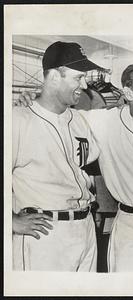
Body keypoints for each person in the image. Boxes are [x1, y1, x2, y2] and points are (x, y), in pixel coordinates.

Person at [18, 62, 133, 272]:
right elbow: (57, 115)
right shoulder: (102, 121)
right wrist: (32, 101)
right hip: (129, 222)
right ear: (129, 93)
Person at [12, 41, 101, 271]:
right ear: (53, 77)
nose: (85, 84)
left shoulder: (79, 119)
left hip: (85, 228)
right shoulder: (18, 120)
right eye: (77, 77)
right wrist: (11, 221)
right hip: (46, 234)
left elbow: (85, 167)